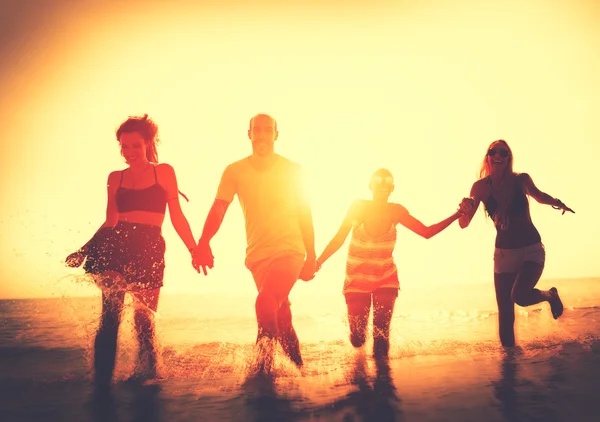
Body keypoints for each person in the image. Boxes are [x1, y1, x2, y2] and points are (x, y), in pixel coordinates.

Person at [65, 114, 197, 391]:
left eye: (135, 146)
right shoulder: (115, 177)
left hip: (148, 247)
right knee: (110, 315)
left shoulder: (164, 172)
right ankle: (101, 384)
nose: (129, 152)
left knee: (142, 319)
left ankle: (148, 377)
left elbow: (177, 217)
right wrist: (84, 249)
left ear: (149, 143)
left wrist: (194, 249)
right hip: (115, 244)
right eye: (124, 147)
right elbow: (111, 220)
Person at [192, 113, 316, 372]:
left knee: (265, 301)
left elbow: (305, 214)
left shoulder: (292, 170)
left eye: (267, 129)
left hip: (291, 250)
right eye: (256, 130)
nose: (261, 135)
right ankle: (301, 372)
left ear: (276, 134)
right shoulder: (235, 170)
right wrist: (203, 243)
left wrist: (311, 256)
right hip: (258, 256)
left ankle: (262, 371)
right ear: (248, 134)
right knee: (282, 318)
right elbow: (218, 209)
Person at [315, 168, 463, 358]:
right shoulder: (358, 208)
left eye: (387, 182)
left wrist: (458, 214)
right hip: (356, 279)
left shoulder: (396, 211)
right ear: (370, 186)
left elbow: (427, 232)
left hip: (386, 278)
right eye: (378, 181)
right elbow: (339, 238)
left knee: (381, 335)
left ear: (392, 188)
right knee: (358, 339)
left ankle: (383, 382)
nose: (383, 185)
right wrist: (318, 262)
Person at [458, 139, 574, 347]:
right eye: (493, 152)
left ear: (508, 158)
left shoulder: (521, 180)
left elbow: (538, 196)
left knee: (520, 296)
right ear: (488, 157)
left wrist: (558, 203)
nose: (498, 156)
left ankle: (549, 295)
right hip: (503, 255)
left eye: (503, 153)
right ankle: (509, 365)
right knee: (505, 314)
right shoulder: (480, 187)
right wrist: (463, 210)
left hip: (531, 251)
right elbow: (464, 223)